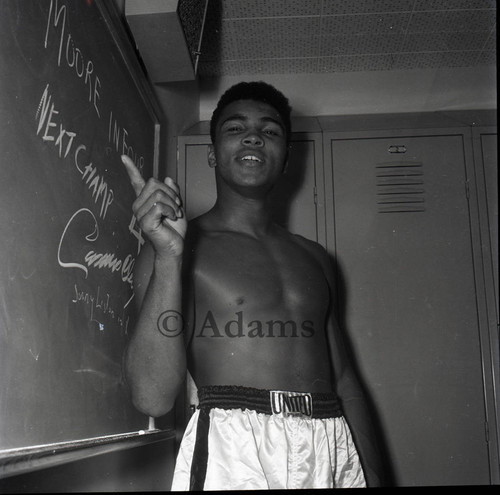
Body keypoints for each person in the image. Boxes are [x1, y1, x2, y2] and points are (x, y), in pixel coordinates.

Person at [122, 81, 384, 490]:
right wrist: (168, 258)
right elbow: (151, 398)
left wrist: (372, 474)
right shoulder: (176, 250)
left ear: (285, 157)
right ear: (211, 152)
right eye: (234, 128)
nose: (253, 136)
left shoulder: (316, 259)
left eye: (270, 130)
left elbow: (345, 379)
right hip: (235, 451)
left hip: (330, 446)